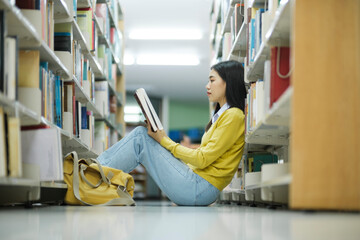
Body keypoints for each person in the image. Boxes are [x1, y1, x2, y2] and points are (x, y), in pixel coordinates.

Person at [97, 60, 247, 206]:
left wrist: (163, 140)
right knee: (143, 136)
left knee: (140, 137)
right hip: (198, 185)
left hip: (199, 188)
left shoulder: (233, 115)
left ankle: (93, 174)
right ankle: (97, 174)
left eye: (212, 80)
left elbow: (202, 159)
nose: (207, 86)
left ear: (229, 82)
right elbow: (205, 157)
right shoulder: (223, 115)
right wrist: (164, 144)